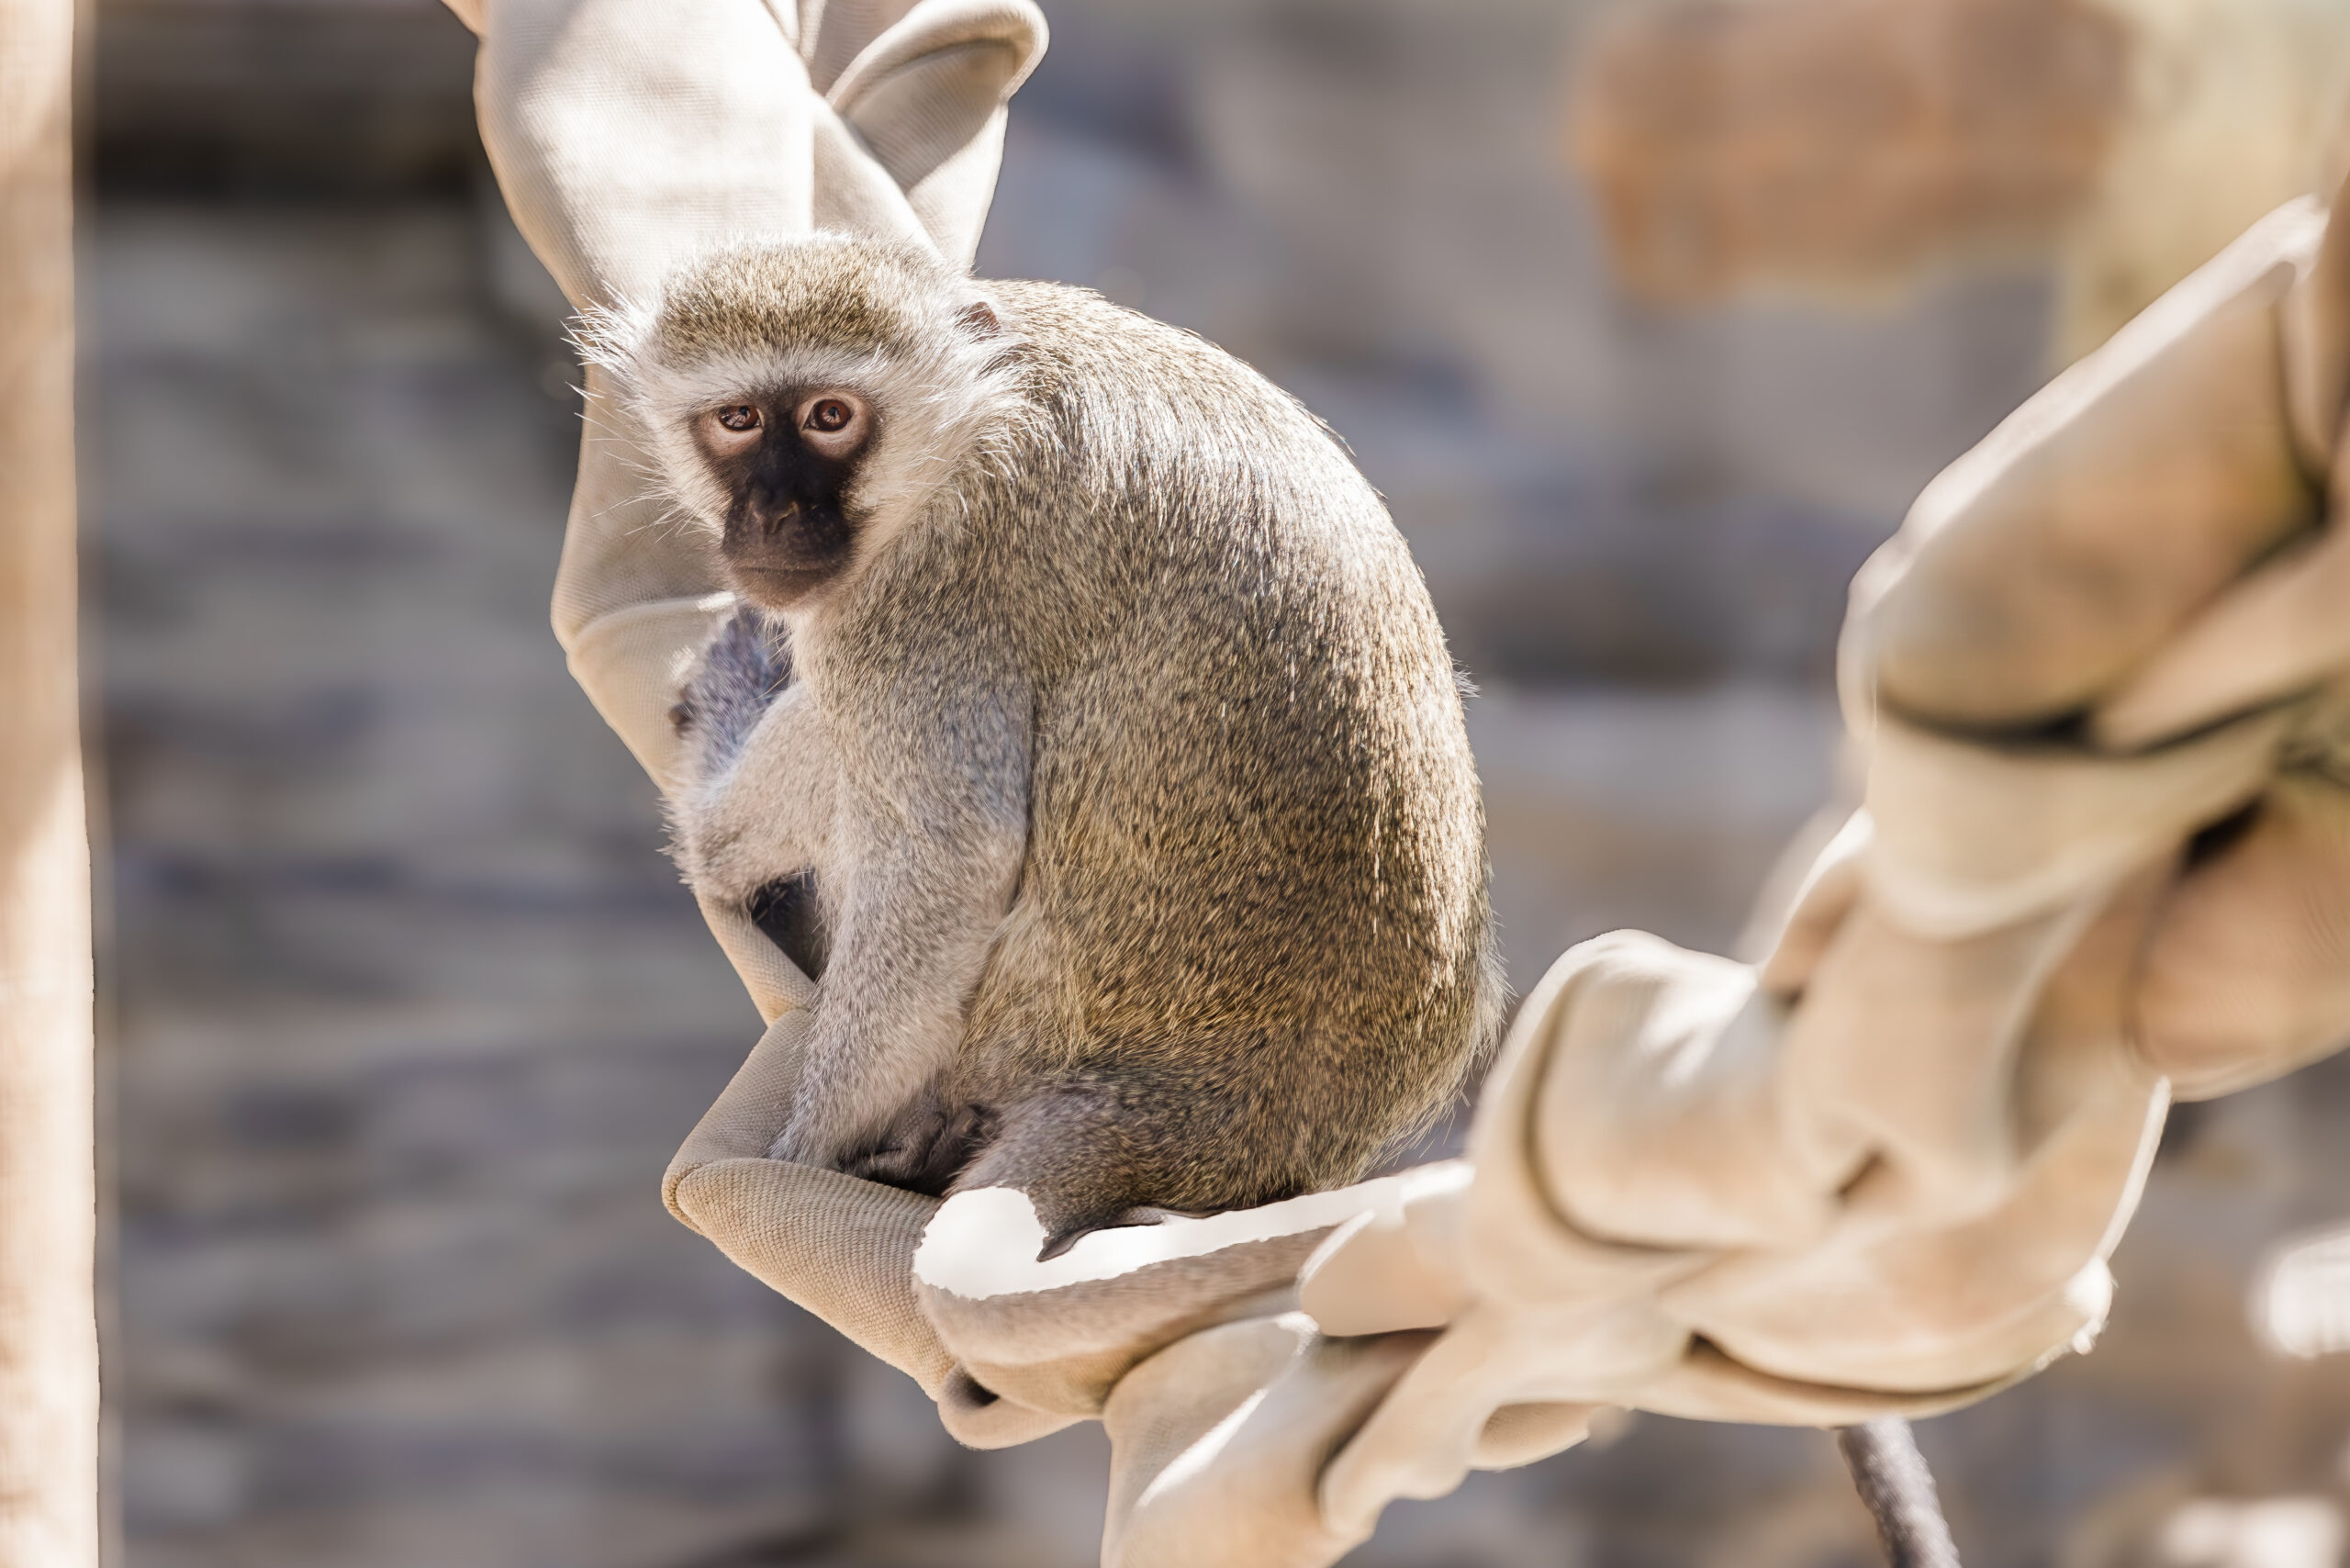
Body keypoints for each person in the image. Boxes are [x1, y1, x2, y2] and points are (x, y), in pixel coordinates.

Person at [445, 3, 2350, 1562]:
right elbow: (860, 770)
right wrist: (751, 810)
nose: (778, 498)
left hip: (1122, 1024)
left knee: (868, 1223)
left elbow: (945, 858)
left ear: (935, 395)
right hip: (1351, 1033)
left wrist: (811, 1153)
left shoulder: (937, 534)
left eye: (829, 427)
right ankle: (1502, 1213)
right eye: (736, 442)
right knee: (756, 772)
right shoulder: (951, 486)